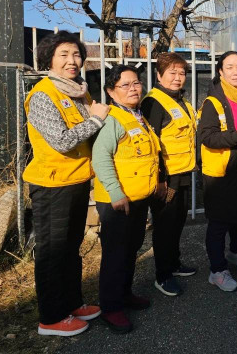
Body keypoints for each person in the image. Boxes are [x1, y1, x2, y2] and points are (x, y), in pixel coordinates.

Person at [24, 31, 109, 337]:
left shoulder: (79, 92)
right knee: (52, 251)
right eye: (64, 55)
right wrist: (96, 120)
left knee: (71, 248)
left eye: (76, 55)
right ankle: (50, 317)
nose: (72, 61)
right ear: (49, 59)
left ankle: (72, 303)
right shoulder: (42, 95)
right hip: (52, 185)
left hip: (77, 179)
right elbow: (61, 141)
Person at [92, 65, 160, 333]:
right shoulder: (113, 119)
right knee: (115, 254)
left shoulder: (137, 115)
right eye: (125, 85)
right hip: (118, 199)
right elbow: (101, 157)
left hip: (137, 196)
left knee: (131, 248)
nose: (133, 88)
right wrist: (115, 192)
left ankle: (124, 294)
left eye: (136, 83)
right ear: (111, 91)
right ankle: (111, 308)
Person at [198, 51, 237, 292]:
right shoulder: (213, 102)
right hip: (222, 173)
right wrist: (236, 136)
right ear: (221, 72)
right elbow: (207, 137)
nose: (236, 71)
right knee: (219, 223)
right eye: (230, 67)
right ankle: (217, 270)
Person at [141, 53, 197, 297]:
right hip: (167, 176)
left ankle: (174, 263)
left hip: (183, 171)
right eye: (172, 72)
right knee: (164, 225)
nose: (177, 77)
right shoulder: (153, 103)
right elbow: (151, 145)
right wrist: (161, 179)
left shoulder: (180, 101)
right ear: (159, 75)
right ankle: (163, 275)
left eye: (181, 73)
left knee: (177, 221)